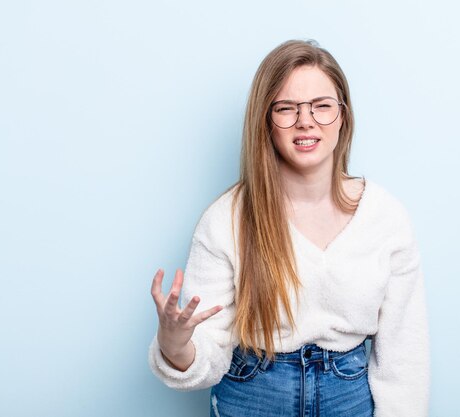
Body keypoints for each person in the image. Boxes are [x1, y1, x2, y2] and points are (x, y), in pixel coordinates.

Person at [148, 39, 430, 417]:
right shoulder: (226, 220)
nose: (306, 120)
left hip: (348, 398)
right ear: (266, 120)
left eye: (322, 106)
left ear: (342, 116)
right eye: (286, 108)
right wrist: (175, 343)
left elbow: (404, 358)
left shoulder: (386, 218)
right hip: (252, 397)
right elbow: (206, 358)